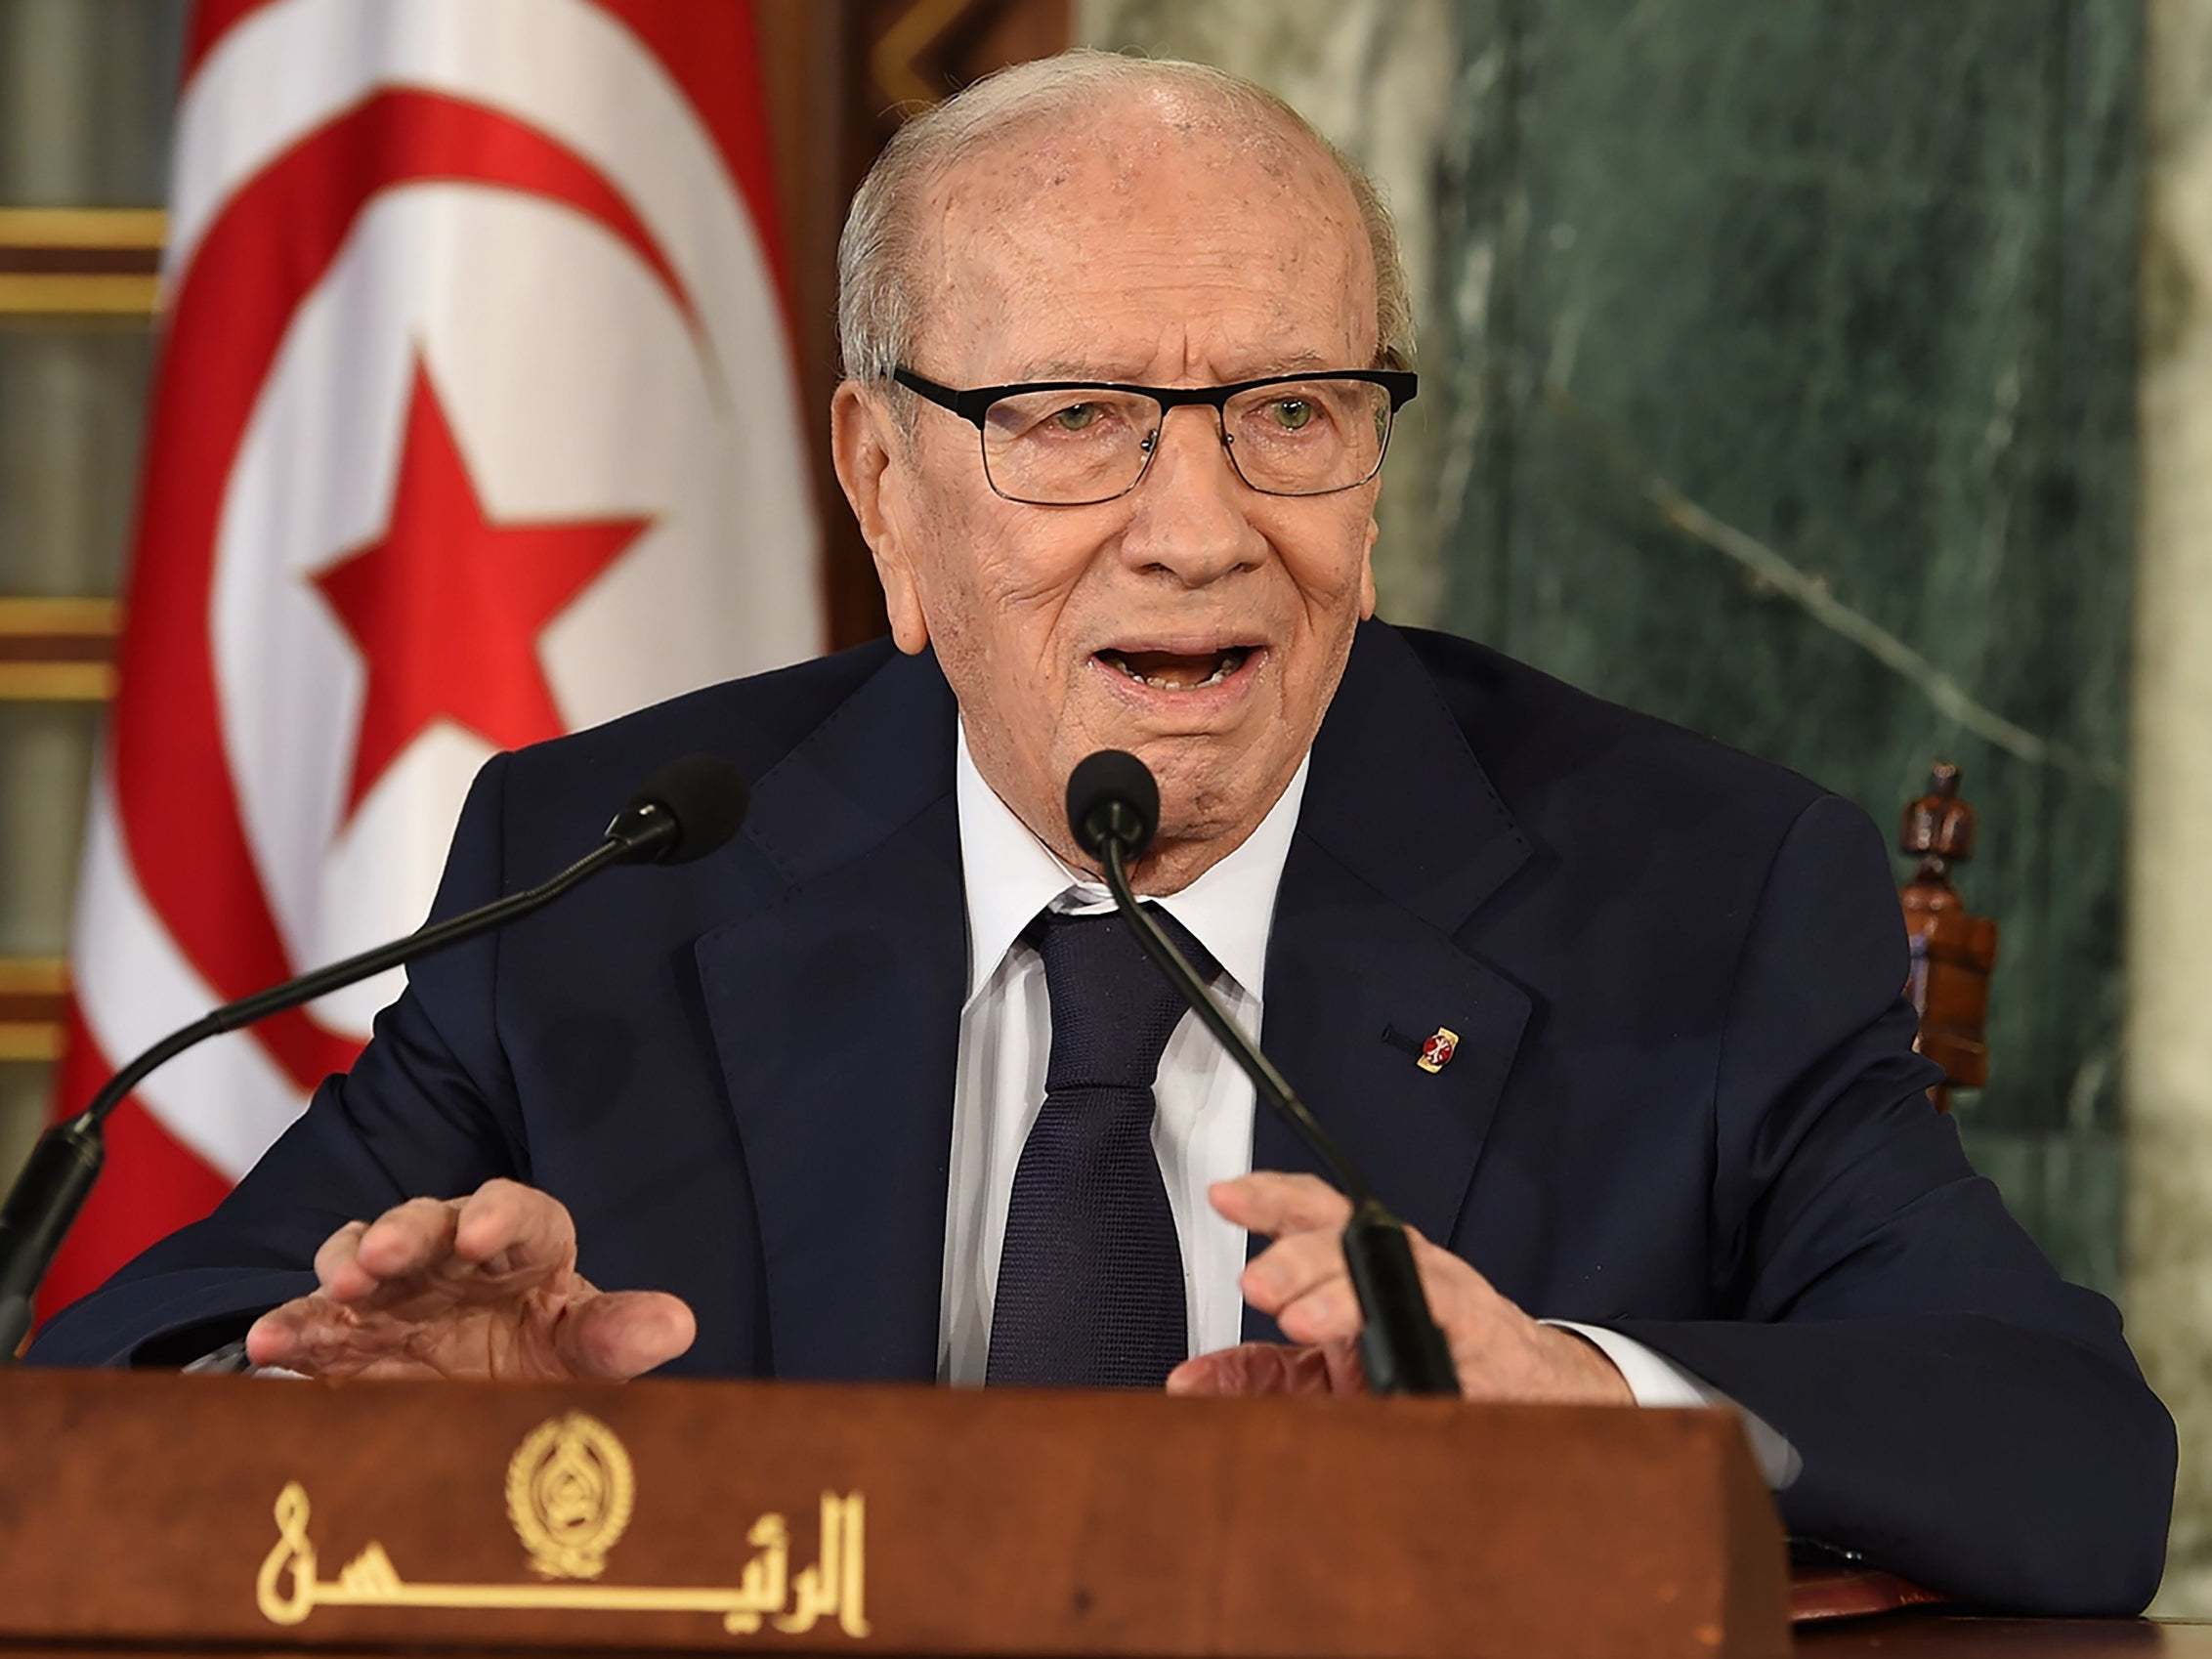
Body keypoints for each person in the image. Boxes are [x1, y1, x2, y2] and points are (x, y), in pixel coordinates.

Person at [31, 52, 2173, 1614]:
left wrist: (1585, 1397)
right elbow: (117, 1373)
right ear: (882, 484)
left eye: (1290, 416)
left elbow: (2064, 1457)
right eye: (1070, 423)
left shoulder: (1690, 893)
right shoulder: (616, 868)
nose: (1197, 529)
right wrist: (335, 1398)